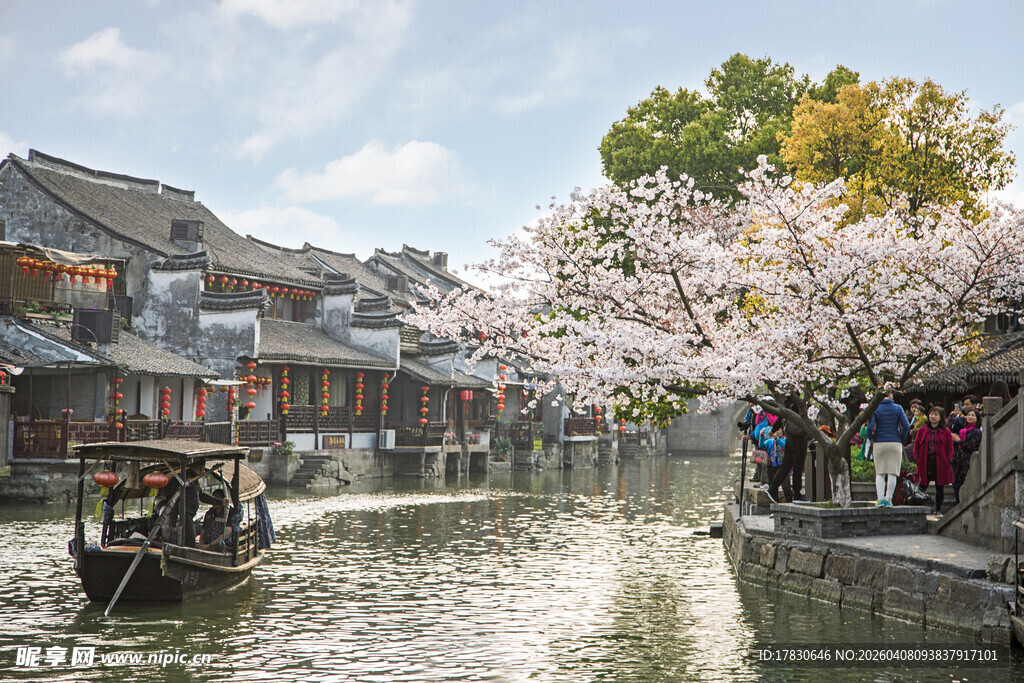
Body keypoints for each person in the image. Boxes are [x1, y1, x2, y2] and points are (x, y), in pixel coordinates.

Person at [866, 392, 911, 506]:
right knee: (892, 473)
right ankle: (888, 499)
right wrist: (900, 437)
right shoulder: (898, 408)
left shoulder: (875, 408)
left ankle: (880, 499)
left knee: (880, 473)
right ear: (891, 396)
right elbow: (906, 426)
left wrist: (871, 436)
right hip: (895, 443)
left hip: (879, 443)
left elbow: (870, 427)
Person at [167, 461, 220, 547]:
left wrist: (220, 501)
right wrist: (184, 484)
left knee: (188, 539)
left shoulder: (194, 481)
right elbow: (169, 490)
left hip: (188, 516)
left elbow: (202, 496)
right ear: (201, 468)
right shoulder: (183, 477)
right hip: (182, 514)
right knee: (188, 541)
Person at [913, 406, 954, 515]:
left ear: (941, 417)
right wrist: (916, 458)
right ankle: (916, 506)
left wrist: (949, 459)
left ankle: (938, 510)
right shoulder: (922, 430)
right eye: (931, 414)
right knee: (921, 486)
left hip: (940, 463)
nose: (933, 416)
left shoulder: (946, 431)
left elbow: (950, 448)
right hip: (925, 462)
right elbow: (916, 445)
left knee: (939, 488)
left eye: (936, 414)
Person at [951, 408, 982, 505]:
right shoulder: (963, 431)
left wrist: (959, 440)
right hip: (959, 460)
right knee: (956, 483)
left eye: (973, 415)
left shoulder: (976, 432)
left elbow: (972, 446)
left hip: (969, 460)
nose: (970, 417)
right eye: (968, 415)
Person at [763, 423, 791, 504]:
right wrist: (761, 437)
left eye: (779, 430)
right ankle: (775, 506)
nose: (777, 432)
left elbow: (784, 446)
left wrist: (777, 439)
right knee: (773, 489)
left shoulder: (786, 439)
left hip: (783, 466)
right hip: (772, 466)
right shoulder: (769, 441)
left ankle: (790, 504)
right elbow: (761, 446)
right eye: (775, 430)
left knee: (786, 488)